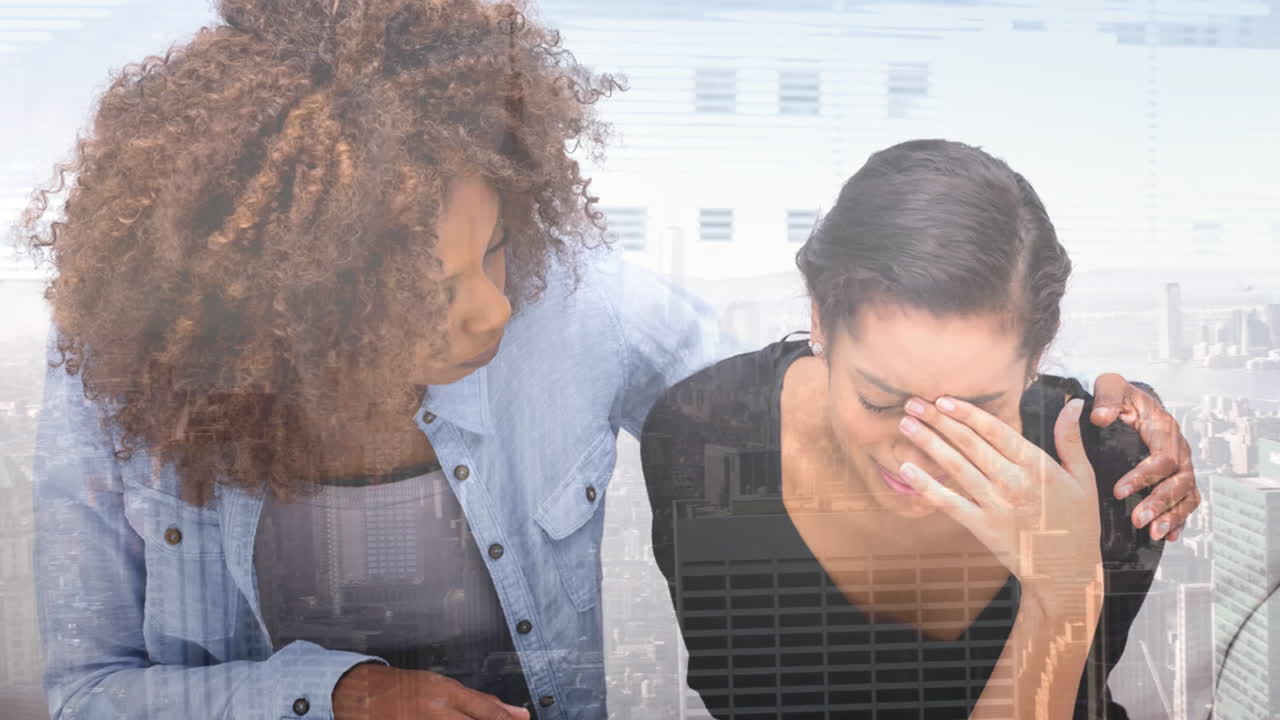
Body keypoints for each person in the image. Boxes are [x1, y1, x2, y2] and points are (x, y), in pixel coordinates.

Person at [19, 0, 1197, 717]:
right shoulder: (116, 396)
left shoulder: (570, 307)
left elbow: (822, 375)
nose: (494, 312)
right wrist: (337, 697)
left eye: (494, 252)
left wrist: (1092, 418)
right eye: (436, 292)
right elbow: (87, 695)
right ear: (283, 310)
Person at [640, 139, 1184, 719]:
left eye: (973, 409)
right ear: (820, 320)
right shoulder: (704, 435)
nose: (919, 456)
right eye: (879, 398)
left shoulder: (1113, 469)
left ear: (1037, 358)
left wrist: (1065, 597)